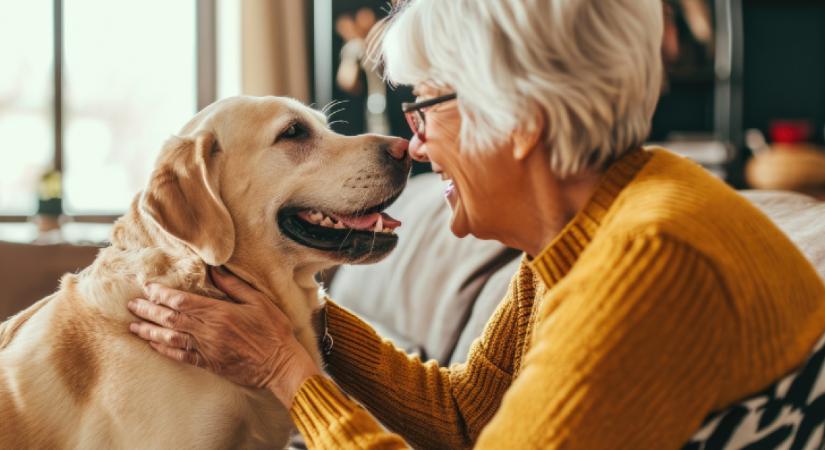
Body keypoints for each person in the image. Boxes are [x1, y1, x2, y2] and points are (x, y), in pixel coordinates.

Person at [127, 1, 825, 448]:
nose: (415, 144)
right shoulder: (585, 230)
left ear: (519, 116)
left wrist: (285, 370)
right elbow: (465, 417)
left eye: (427, 106)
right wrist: (290, 314)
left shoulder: (648, 258)